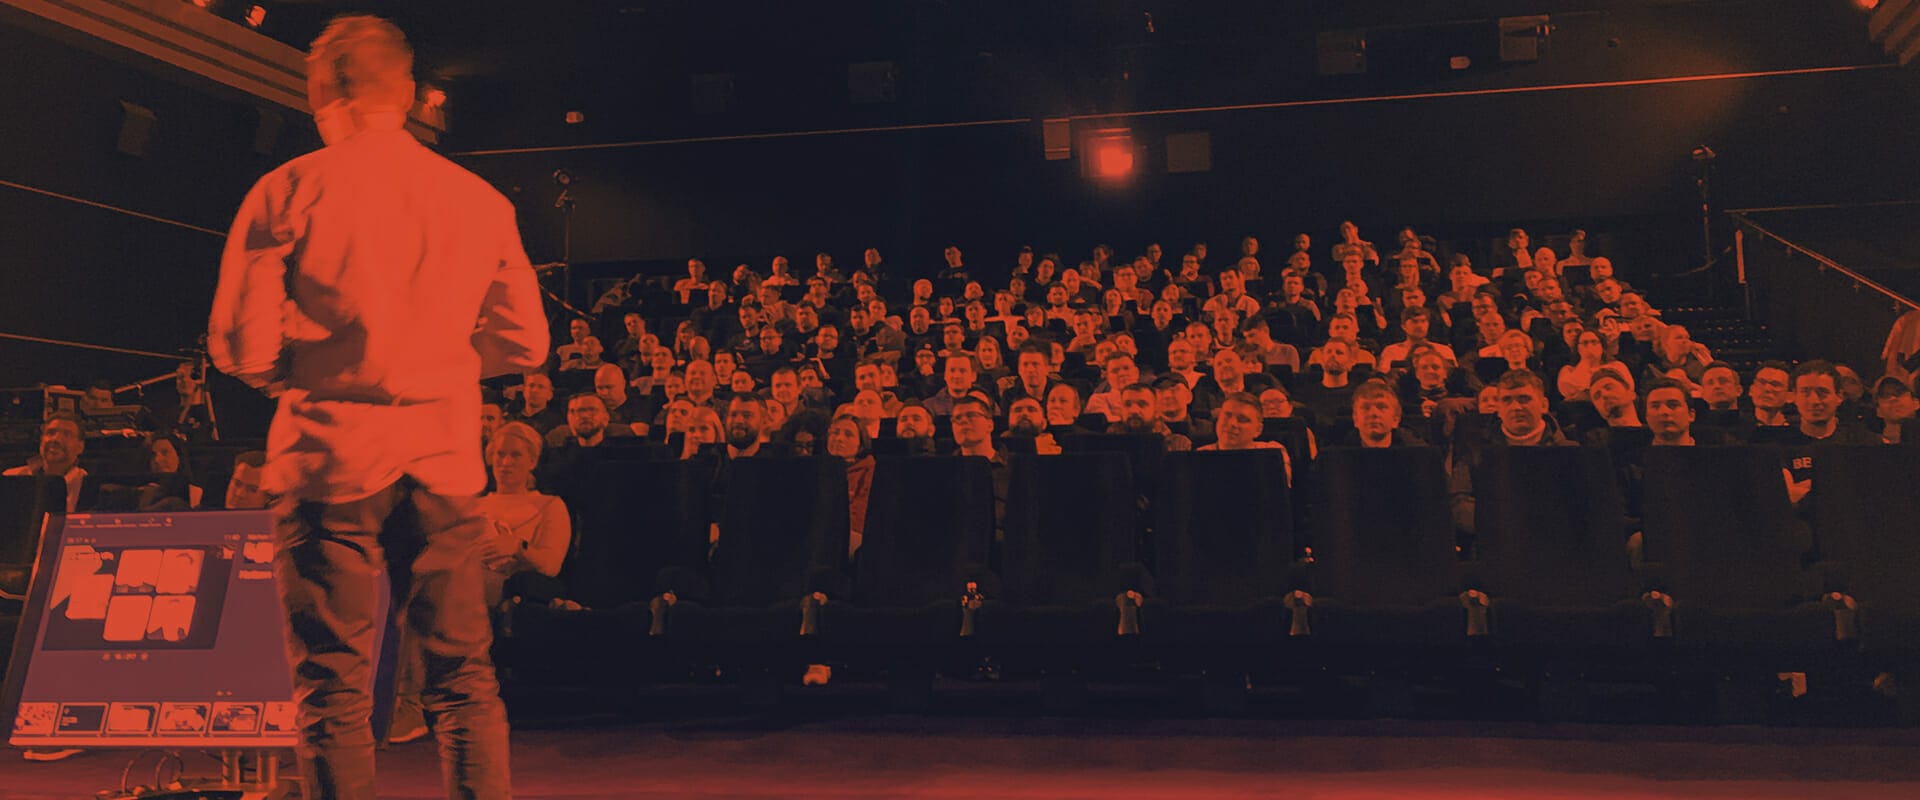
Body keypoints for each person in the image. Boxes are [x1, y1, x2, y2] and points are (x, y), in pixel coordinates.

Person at [206, 16, 535, 798]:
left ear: (322, 87)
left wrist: (305, 368)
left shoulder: (287, 189)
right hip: (445, 462)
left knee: (333, 692)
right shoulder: (478, 199)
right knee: (462, 680)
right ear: (409, 92)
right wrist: (443, 367)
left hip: (328, 459)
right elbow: (524, 343)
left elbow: (238, 345)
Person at [5, 413, 89, 513]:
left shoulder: (86, 485)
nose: (56, 439)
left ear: (80, 447)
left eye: (67, 434)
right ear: (41, 441)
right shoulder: (12, 478)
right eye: (50, 433)